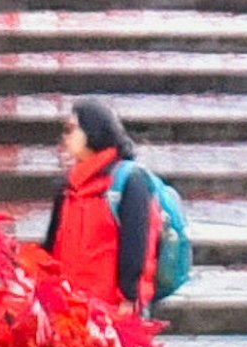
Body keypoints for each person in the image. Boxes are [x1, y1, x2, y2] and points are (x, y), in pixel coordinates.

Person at [38, 94, 188, 321]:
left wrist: (128, 297)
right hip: (69, 308)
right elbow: (50, 247)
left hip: (114, 311)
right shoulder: (68, 187)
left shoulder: (129, 180)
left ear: (93, 131)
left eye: (71, 129)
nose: (65, 137)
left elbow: (136, 242)